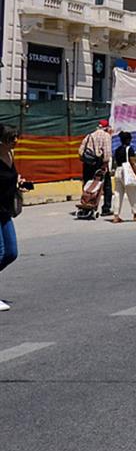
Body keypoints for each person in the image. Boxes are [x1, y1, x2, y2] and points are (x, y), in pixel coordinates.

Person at [0, 124, 31, 312]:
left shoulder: (10, 155)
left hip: (4, 211)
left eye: (16, 137)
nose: (16, 141)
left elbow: (12, 177)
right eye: (11, 139)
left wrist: (19, 184)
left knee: (11, 252)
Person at [79, 119, 113, 217]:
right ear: (106, 127)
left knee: (88, 185)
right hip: (99, 163)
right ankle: (106, 208)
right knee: (106, 185)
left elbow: (80, 151)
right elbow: (107, 154)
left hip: (88, 163)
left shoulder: (89, 135)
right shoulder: (106, 136)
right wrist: (104, 166)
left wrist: (86, 160)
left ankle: (86, 203)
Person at [110, 131, 136, 223]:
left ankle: (116, 215)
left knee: (118, 194)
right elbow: (132, 163)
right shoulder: (130, 149)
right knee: (133, 194)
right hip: (127, 172)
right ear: (129, 140)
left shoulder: (117, 150)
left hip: (118, 171)